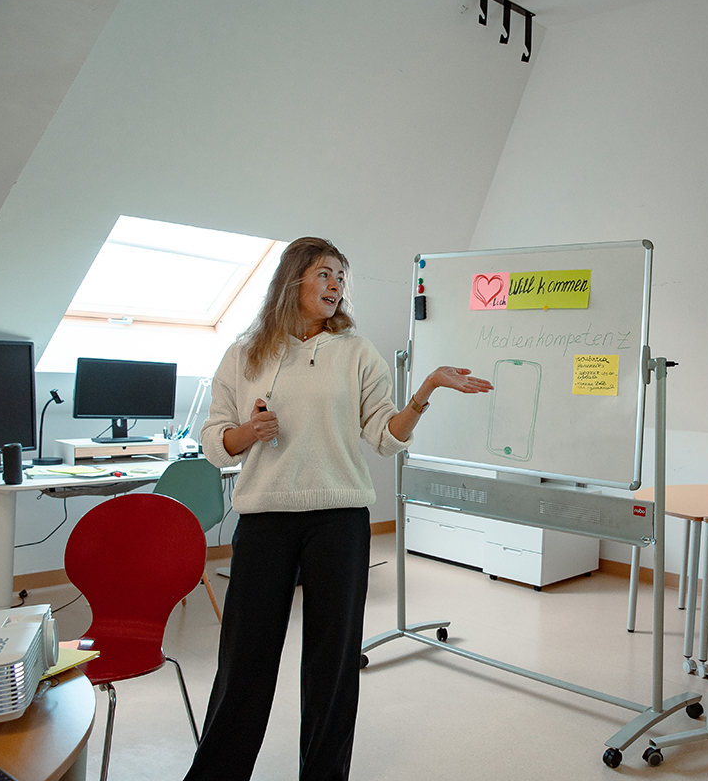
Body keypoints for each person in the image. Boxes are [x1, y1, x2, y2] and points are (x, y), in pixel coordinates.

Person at [183, 237, 491, 781]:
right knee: (244, 661)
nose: (335, 285)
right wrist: (248, 432)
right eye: (324, 273)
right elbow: (214, 442)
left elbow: (385, 436)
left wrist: (424, 391)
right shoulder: (244, 353)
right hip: (264, 519)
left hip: (339, 520)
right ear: (292, 279)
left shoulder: (357, 352)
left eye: (341, 277)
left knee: (332, 665)